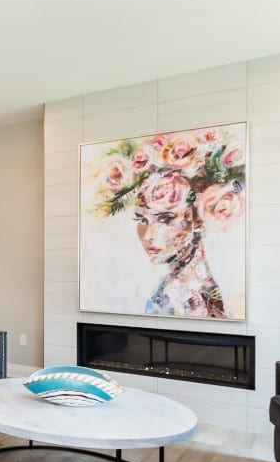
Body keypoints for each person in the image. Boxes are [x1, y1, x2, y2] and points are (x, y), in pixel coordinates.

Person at [91, 128, 245, 319]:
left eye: (166, 219)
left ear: (198, 218)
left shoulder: (186, 297)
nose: (149, 235)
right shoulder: (178, 287)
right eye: (142, 220)